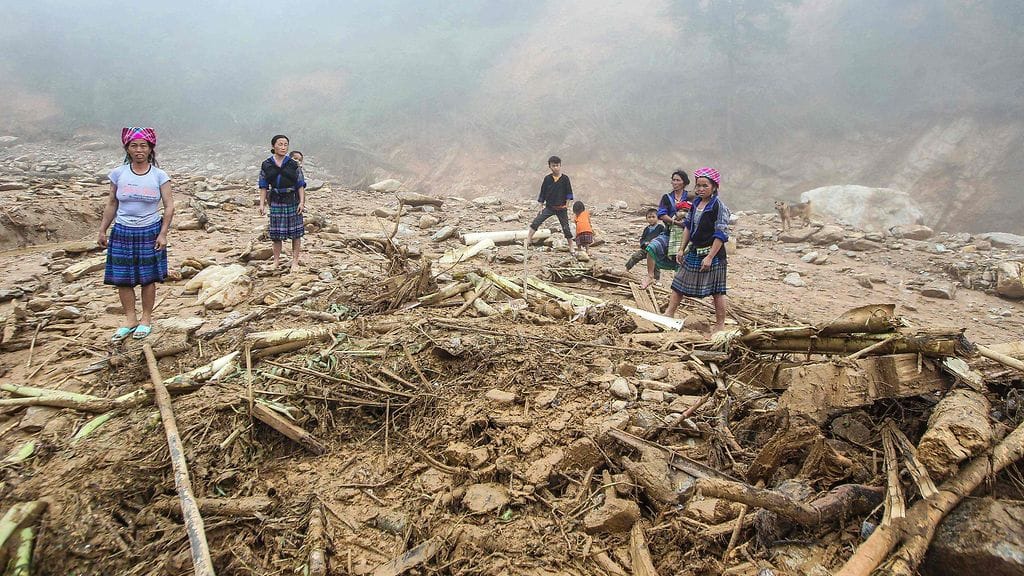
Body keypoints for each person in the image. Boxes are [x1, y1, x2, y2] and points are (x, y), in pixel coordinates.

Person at [97, 127, 174, 342]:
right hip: (122, 230)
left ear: (150, 149)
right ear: (127, 149)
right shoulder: (118, 174)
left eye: (143, 146)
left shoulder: (159, 176)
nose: (139, 150)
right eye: (134, 146)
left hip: (150, 230)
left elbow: (169, 206)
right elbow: (112, 203)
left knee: (148, 278)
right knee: (123, 278)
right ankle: (130, 319)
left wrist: (163, 233)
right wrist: (102, 229)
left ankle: (146, 319)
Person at [665, 167, 730, 334]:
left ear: (714, 187)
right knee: (679, 282)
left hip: (713, 253)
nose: (701, 189)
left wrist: (710, 257)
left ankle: (720, 324)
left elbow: (720, 234)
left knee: (717, 290)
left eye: (705, 186)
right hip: (695, 250)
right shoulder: (695, 203)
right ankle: (669, 313)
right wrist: (681, 249)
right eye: (698, 185)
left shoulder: (718, 206)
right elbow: (688, 226)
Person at [258, 135, 306, 273]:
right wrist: (262, 204)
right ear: (273, 146)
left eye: (285, 145)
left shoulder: (293, 164)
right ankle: (276, 262)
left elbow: (300, 184)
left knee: (296, 233)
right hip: (276, 200)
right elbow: (263, 186)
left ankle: (295, 262)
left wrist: (302, 202)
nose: (283, 147)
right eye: (280, 144)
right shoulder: (266, 164)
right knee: (276, 234)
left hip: (292, 199)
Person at [640, 169, 691, 288]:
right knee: (652, 247)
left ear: (684, 182)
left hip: (686, 234)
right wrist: (675, 222)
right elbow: (662, 214)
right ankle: (650, 275)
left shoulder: (690, 196)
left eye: (678, 180)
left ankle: (679, 286)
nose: (675, 182)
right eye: (673, 180)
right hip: (669, 232)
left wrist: (685, 219)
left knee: (682, 257)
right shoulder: (667, 197)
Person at [525, 156, 574, 252]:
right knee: (537, 221)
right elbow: (543, 193)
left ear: (560, 165)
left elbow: (569, 193)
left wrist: (567, 206)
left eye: (557, 165)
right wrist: (540, 206)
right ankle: (528, 240)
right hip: (550, 207)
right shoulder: (547, 179)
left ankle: (571, 247)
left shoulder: (565, 179)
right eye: (553, 166)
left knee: (566, 228)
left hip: (561, 208)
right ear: (550, 167)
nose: (555, 168)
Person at [626, 208, 666, 279]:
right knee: (635, 256)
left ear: (657, 218)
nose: (651, 219)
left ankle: (656, 279)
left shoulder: (660, 227)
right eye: (649, 217)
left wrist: (656, 242)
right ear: (646, 219)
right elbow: (642, 238)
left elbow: (663, 237)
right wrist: (644, 243)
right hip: (646, 248)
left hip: (655, 250)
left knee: (655, 264)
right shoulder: (646, 229)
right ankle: (627, 269)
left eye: (653, 217)